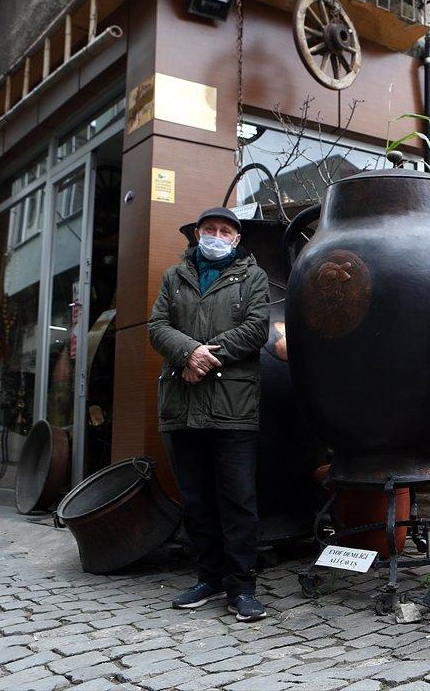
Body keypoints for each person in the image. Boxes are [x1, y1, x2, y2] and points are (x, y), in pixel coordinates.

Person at [148, 206, 270, 621]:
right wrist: (187, 353)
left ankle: (242, 587)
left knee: (238, 500)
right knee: (197, 499)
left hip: (232, 407)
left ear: (236, 239)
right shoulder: (173, 276)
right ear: (197, 233)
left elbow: (256, 329)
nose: (217, 235)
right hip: (181, 405)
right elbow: (156, 326)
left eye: (225, 231)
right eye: (210, 229)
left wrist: (203, 356)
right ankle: (208, 577)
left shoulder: (252, 277)